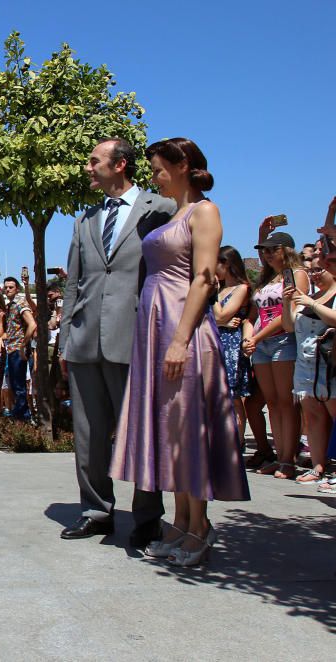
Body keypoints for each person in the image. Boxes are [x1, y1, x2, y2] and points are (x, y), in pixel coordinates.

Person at [111, 137, 250, 566]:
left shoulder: (205, 211)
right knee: (168, 429)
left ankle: (199, 525)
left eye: (157, 169)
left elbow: (205, 278)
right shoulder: (177, 213)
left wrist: (179, 338)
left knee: (186, 427)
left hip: (180, 329)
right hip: (156, 329)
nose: (154, 177)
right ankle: (180, 519)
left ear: (182, 164)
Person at [58, 137, 176, 546]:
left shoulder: (160, 210)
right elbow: (74, 283)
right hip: (85, 340)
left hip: (137, 338)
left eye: (94, 161)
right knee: (88, 434)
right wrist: (65, 341)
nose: (87, 168)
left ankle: (147, 516)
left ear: (120, 164)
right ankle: (96, 510)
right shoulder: (83, 220)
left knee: (142, 433)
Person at [241, 226, 307, 479]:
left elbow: (287, 313)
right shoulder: (267, 280)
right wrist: (250, 336)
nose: (267, 255)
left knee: (286, 403)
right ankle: (280, 457)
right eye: (264, 250)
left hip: (283, 341)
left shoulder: (296, 274)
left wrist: (256, 337)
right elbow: (254, 315)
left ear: (286, 250)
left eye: (272, 249)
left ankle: (288, 460)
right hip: (261, 345)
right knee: (274, 403)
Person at [282, 252, 336, 483]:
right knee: (313, 416)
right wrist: (287, 303)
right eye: (311, 270)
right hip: (305, 365)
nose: (313, 275)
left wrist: (312, 303)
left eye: (318, 270)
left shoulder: (325, 297)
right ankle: (317, 465)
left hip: (330, 365)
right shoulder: (309, 296)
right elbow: (288, 326)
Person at [212, 246, 253, 441]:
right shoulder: (220, 288)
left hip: (231, 345)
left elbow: (221, 314)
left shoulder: (242, 288)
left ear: (226, 263)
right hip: (215, 340)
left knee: (233, 397)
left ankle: (238, 440)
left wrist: (212, 295)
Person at [1, 277, 37, 420]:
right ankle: (21, 416)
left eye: (11, 287)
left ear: (17, 289)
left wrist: (23, 344)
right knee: (15, 385)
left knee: (19, 385)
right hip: (11, 348)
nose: (8, 289)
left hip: (18, 349)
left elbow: (32, 324)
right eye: (6, 287)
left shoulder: (20, 303)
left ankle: (23, 418)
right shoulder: (10, 306)